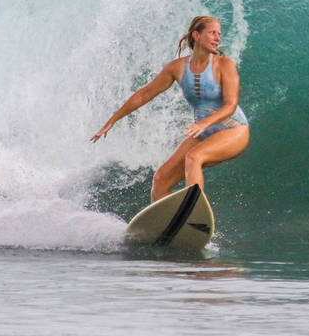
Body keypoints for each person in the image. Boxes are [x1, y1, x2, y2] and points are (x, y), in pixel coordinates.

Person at [90, 15, 249, 202]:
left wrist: (204, 123)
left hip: (233, 130)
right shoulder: (178, 68)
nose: (217, 38)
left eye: (219, 34)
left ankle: (193, 214)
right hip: (204, 133)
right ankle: (163, 227)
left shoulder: (224, 65)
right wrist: (113, 120)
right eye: (212, 33)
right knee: (160, 179)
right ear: (196, 35)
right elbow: (145, 94)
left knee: (193, 157)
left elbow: (230, 105)